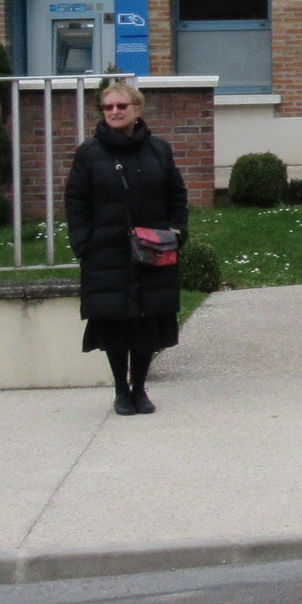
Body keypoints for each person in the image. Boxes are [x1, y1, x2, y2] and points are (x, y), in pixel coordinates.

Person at [65, 76, 188, 415]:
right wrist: (84, 244)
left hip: (152, 250)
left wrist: (177, 233)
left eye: (122, 105)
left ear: (137, 109)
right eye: (108, 107)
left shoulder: (159, 150)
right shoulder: (89, 153)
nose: (115, 111)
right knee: (115, 322)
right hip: (107, 254)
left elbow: (176, 195)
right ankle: (121, 391)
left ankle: (140, 389)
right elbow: (76, 202)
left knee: (147, 322)